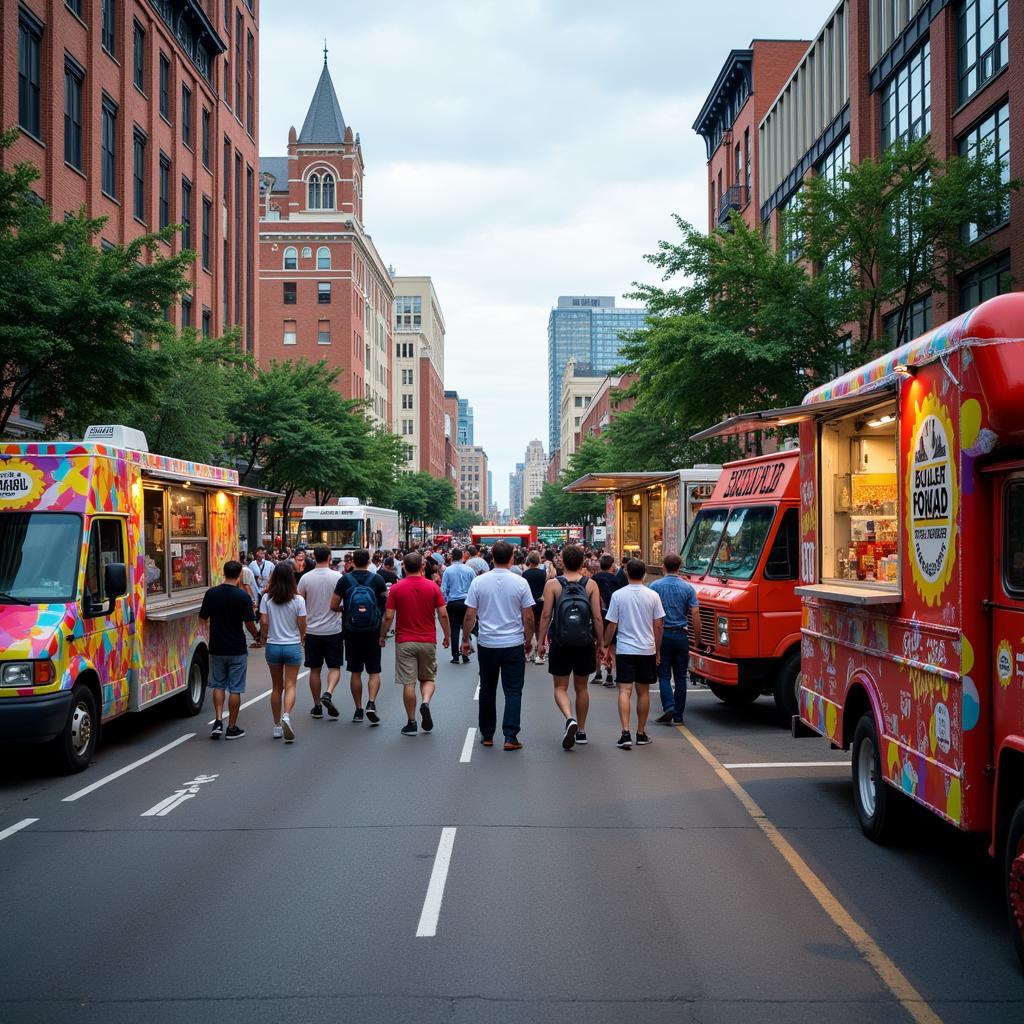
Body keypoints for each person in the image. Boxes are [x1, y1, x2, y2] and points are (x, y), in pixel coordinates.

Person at [462, 541, 536, 751]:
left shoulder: (479, 582)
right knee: (513, 690)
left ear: (491, 558)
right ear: (512, 557)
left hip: (487, 643)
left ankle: (487, 734)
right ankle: (510, 736)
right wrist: (527, 640)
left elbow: (470, 615)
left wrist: (466, 639)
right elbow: (529, 617)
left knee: (487, 689)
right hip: (513, 643)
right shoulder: (520, 582)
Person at [537, 545, 604, 750]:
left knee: (560, 687)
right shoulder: (591, 584)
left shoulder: (552, 585)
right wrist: (601, 643)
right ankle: (582, 731)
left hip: (560, 642)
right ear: (583, 561)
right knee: (582, 687)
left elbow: (546, 615)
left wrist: (540, 642)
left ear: (562, 561)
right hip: (584, 643)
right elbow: (597, 617)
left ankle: (569, 718)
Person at [379, 552, 450, 736]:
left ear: (403, 567)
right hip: (427, 640)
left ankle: (411, 722)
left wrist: (382, 635)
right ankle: (425, 702)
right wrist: (447, 635)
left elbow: (388, 615)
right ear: (423, 567)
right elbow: (443, 614)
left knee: (408, 683)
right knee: (428, 678)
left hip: (405, 640)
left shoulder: (396, 588)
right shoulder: (432, 587)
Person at [603, 558, 664, 750]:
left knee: (625, 690)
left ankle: (625, 733)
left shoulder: (618, 595)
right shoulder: (653, 595)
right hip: (646, 648)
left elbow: (612, 623)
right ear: (644, 574)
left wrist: (605, 645)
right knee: (643, 691)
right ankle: (641, 732)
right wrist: (657, 649)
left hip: (625, 649)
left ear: (627, 573)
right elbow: (659, 625)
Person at [200, 560, 260, 740]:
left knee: (218, 684)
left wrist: (208, 634)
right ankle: (232, 727)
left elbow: (203, 618)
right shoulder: (242, 597)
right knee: (235, 688)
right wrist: (257, 636)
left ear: (223, 572)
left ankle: (218, 720)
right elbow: (249, 623)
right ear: (239, 574)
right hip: (237, 648)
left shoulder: (211, 593)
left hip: (216, 647)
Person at [333, 548, 387, 724]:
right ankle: (371, 702)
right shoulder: (377, 579)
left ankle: (358, 709)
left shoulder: (344, 580)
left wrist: (346, 609)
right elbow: (385, 605)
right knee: (374, 670)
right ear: (369, 561)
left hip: (351, 630)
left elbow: (333, 605)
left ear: (353, 561)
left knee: (355, 671)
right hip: (373, 630)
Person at [260, 561, 307, 742]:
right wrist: (302, 636)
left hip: (273, 645)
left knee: (276, 687)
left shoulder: (267, 598)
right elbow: (302, 623)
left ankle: (276, 726)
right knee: (291, 685)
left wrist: (264, 637)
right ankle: (286, 715)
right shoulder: (298, 600)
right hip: (292, 645)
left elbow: (264, 622)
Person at [650, 552, 699, 725]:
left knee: (663, 675)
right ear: (679, 568)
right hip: (681, 634)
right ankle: (678, 715)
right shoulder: (688, 588)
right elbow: (695, 614)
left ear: (663, 566)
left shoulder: (654, 586)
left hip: (662, 634)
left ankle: (669, 706)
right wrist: (697, 639)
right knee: (680, 677)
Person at [297, 544, 344, 721]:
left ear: (314, 557)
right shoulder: (338, 577)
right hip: (333, 630)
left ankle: (317, 705)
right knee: (334, 667)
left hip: (312, 630)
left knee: (314, 670)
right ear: (330, 557)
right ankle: (328, 692)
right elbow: (343, 602)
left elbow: (300, 603)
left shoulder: (305, 579)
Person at [591, 554, 624, 686]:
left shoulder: (594, 579)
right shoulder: (615, 580)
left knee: (598, 644)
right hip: (611, 616)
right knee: (612, 646)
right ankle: (611, 674)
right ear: (611, 565)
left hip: (597, 614)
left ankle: (598, 672)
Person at [441, 547, 476, 665]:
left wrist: (446, 600)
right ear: (462, 556)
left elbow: (443, 589)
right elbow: (474, 587)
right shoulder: (469, 570)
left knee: (454, 629)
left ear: (451, 557)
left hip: (453, 602)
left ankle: (455, 655)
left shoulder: (448, 571)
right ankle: (466, 654)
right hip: (467, 602)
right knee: (466, 629)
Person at [522, 552, 547, 664]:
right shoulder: (543, 573)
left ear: (529, 560)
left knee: (528, 626)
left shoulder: (525, 574)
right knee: (539, 626)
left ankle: (527, 651)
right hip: (540, 602)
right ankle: (539, 652)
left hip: (528, 603)